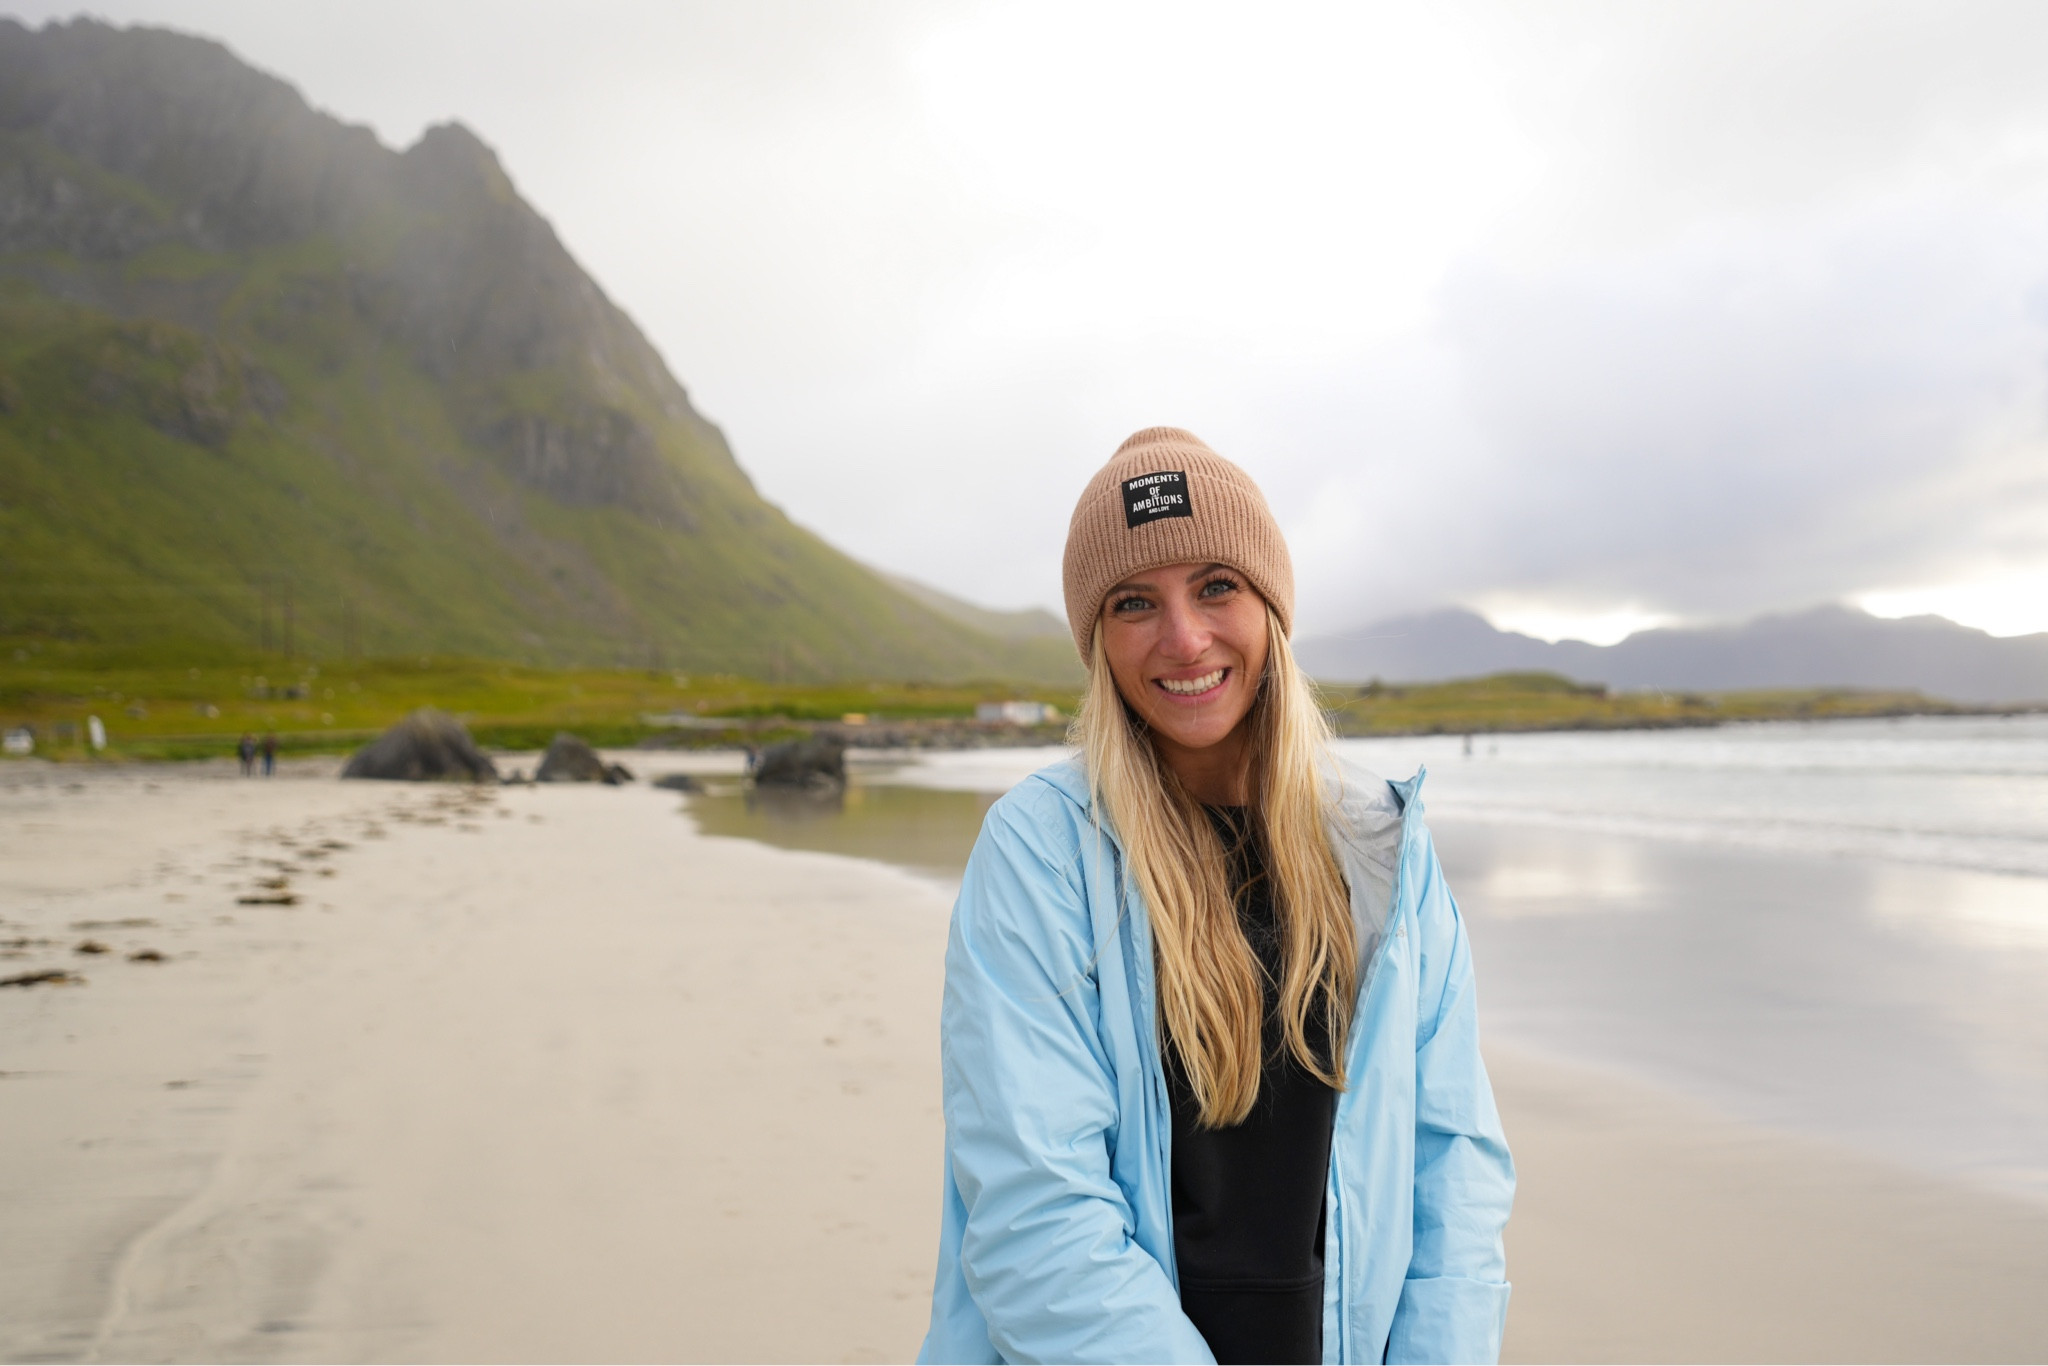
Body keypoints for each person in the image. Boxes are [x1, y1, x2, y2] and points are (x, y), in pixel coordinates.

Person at [919, 429, 1514, 1365]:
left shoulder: (1383, 847)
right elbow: (1037, 1210)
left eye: (1217, 586)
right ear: (1098, 642)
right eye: (1133, 602)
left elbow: (1456, 1169)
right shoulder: (1041, 856)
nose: (1184, 638)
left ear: (1271, 605)